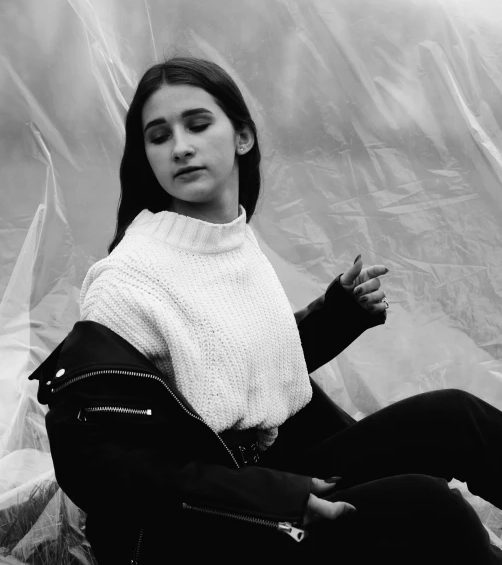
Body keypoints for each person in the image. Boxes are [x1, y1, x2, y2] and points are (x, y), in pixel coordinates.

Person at [29, 56, 502, 564]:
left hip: (270, 471)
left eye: (197, 124)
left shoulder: (233, 242)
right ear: (146, 156)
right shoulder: (126, 281)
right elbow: (100, 465)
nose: (181, 146)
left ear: (243, 137)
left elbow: (236, 373)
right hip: (192, 527)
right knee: (428, 505)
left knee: (455, 418)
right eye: (159, 136)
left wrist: (336, 314)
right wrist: (279, 498)